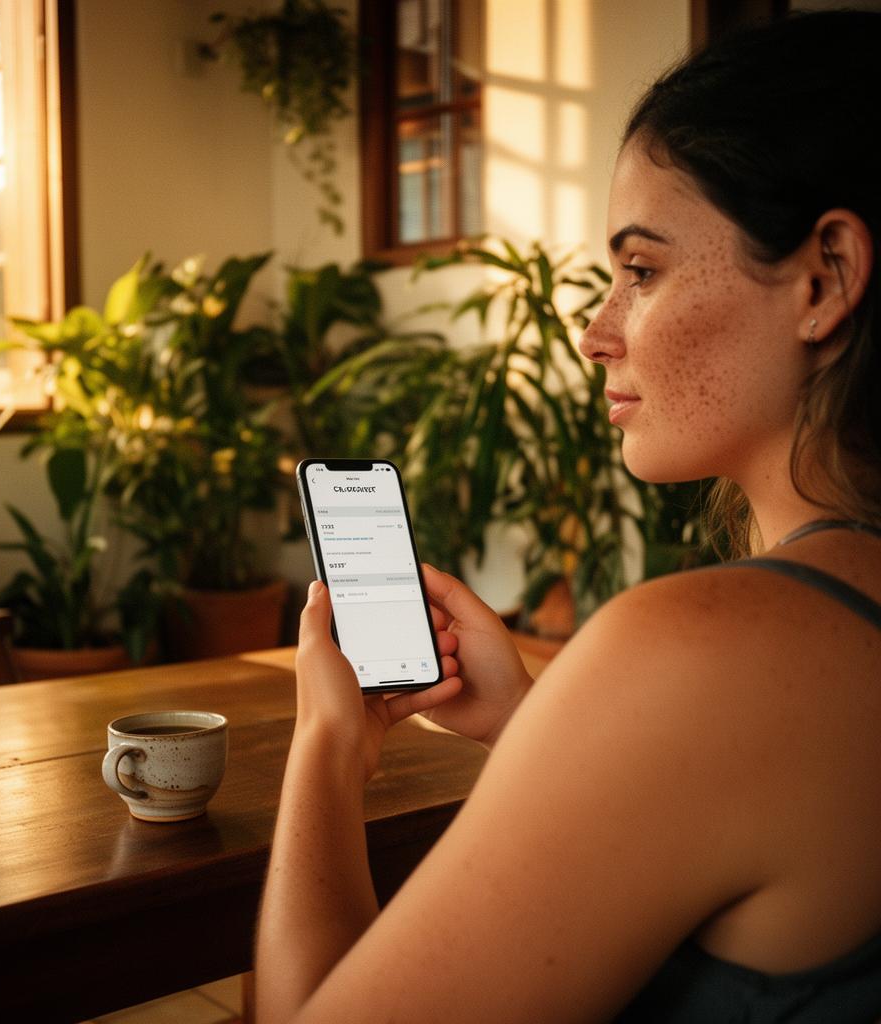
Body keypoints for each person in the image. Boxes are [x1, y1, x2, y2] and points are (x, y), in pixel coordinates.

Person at [254, 10, 881, 1022]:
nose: (595, 332)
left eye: (642, 271)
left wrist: (330, 740)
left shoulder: (706, 653)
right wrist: (537, 725)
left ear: (827, 278)